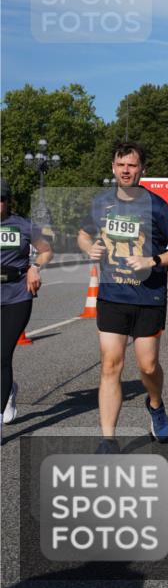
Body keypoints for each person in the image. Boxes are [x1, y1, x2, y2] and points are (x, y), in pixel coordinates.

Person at [77, 141, 168, 452]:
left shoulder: (156, 205)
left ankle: (155, 405)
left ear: (142, 169)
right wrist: (90, 248)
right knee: (110, 365)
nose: (126, 170)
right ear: (113, 168)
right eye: (121, 165)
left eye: (132, 165)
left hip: (148, 296)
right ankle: (108, 439)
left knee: (148, 366)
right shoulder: (101, 203)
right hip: (113, 295)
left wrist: (151, 261)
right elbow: (84, 234)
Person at [1, 178, 53, 431]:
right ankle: (8, 390)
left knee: (2, 355)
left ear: (8, 201)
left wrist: (35, 267)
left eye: (0, 199)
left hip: (16, 295)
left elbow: (45, 250)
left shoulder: (22, 225)